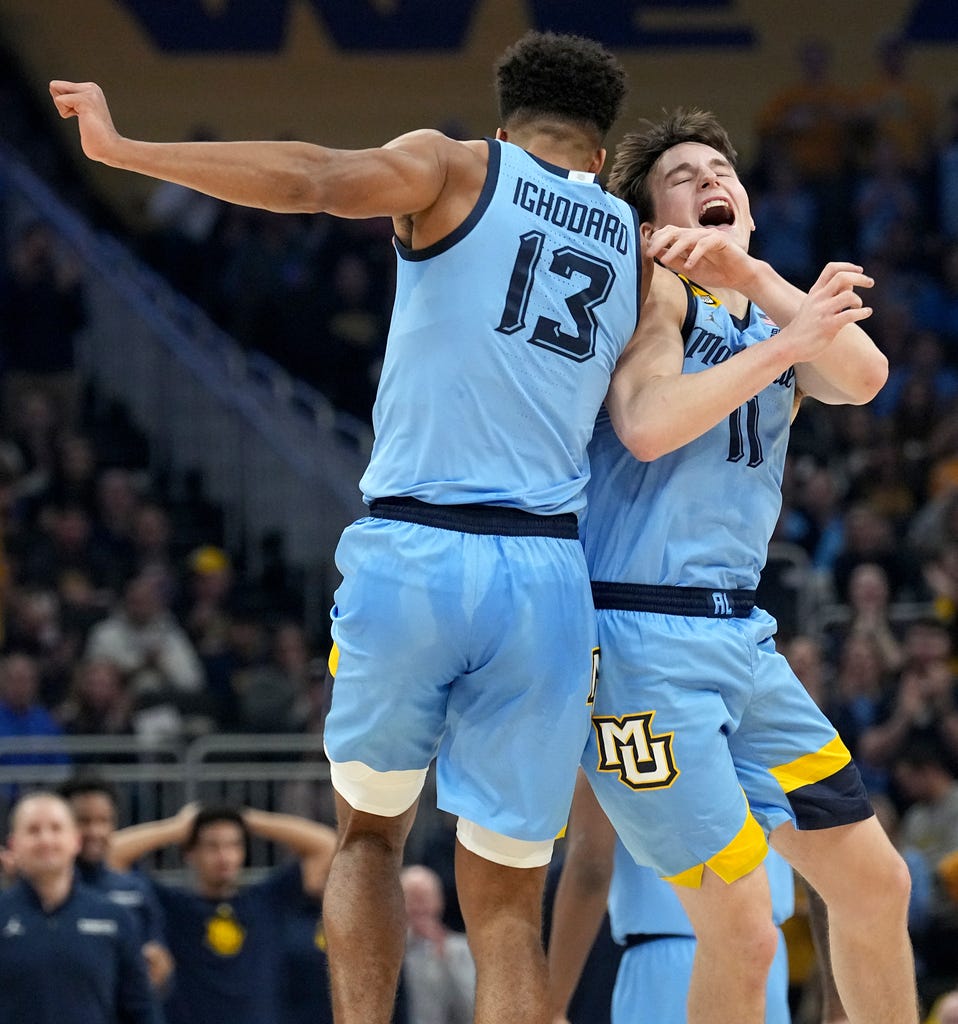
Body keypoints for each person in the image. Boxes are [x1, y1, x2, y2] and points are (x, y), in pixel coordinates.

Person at [49, 30, 643, 1024]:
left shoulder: (459, 166)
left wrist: (128, 150)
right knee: (505, 899)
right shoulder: (628, 240)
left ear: (505, 124)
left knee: (368, 837)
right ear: (599, 149)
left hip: (417, 548)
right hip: (547, 571)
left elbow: (315, 178)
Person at [577, 108, 916, 1024]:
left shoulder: (765, 306)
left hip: (741, 642)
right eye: (682, 174)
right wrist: (789, 340)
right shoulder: (653, 296)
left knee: (877, 884)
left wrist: (766, 287)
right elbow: (646, 428)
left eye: (722, 170)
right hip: (637, 639)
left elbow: (864, 378)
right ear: (651, 225)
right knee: (744, 930)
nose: (710, 179)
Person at [548, 772, 793, 1024]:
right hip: (765, 958)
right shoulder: (774, 735)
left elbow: (591, 872)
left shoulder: (610, 734)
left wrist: (554, 1005)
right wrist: (835, 1008)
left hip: (665, 965)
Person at [106, 802, 337, 1024]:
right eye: (212, 846)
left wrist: (246, 818)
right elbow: (111, 856)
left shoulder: (267, 901)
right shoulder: (172, 905)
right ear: (190, 854)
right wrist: (176, 828)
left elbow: (326, 845)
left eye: (234, 845)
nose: (224, 856)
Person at [0, 791, 161, 1024]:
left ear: (75, 840)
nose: (46, 840)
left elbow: (140, 1009)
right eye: (33, 830)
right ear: (14, 844)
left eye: (56, 829)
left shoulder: (114, 917)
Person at [57, 775, 173, 993]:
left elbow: (160, 970)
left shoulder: (135, 889)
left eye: (103, 821)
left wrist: (160, 970)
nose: (94, 832)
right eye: (83, 821)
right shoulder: (45, 892)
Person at [400, 864, 476, 1024]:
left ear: (438, 902)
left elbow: (470, 1010)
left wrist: (446, 958)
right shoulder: (390, 952)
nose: (419, 907)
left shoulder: (461, 949)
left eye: (425, 898)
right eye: (412, 899)